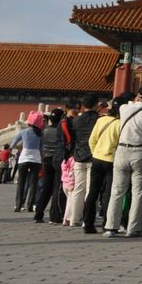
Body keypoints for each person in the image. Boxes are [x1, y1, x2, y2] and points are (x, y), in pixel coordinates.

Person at [103, 85, 142, 238]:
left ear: (138, 95)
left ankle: (111, 227)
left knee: (117, 191)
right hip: (141, 152)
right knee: (138, 192)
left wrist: (136, 98)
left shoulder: (124, 109)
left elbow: (119, 102)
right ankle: (133, 228)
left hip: (122, 150)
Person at [82, 94, 126, 233]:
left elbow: (92, 140)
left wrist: (96, 153)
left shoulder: (101, 120)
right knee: (108, 194)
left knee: (92, 192)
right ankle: (107, 223)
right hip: (111, 161)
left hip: (97, 159)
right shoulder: (120, 124)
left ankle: (88, 223)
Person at [66, 96, 99, 228]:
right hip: (93, 156)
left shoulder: (76, 120)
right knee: (91, 190)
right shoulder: (98, 119)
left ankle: (74, 218)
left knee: (78, 189)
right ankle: (87, 219)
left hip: (79, 156)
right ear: (96, 104)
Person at [33, 109, 66, 223]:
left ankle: (38, 214)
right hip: (58, 159)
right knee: (57, 187)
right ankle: (55, 216)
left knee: (46, 187)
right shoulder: (60, 130)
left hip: (46, 160)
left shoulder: (45, 131)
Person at [11, 110, 44, 213]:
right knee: (34, 184)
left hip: (24, 159)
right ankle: (30, 206)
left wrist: (15, 148)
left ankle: (18, 205)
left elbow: (13, 143)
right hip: (36, 159)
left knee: (21, 183)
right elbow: (41, 148)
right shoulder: (40, 134)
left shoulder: (23, 131)